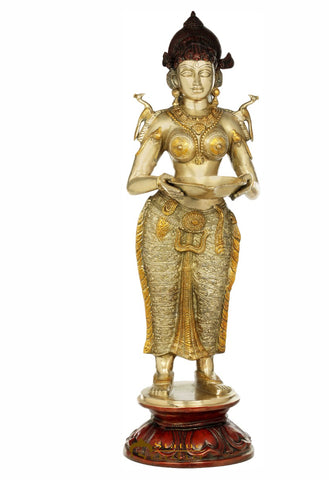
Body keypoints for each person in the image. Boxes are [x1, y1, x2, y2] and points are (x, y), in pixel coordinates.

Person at [127, 12, 259, 397]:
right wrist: (159, 181)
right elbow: (134, 182)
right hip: (165, 218)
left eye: (205, 72)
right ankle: (163, 370)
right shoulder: (163, 122)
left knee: (211, 292)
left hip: (214, 218)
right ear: (174, 78)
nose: (197, 81)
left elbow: (252, 183)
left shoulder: (230, 122)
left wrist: (242, 186)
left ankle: (207, 368)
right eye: (188, 72)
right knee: (164, 290)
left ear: (217, 76)